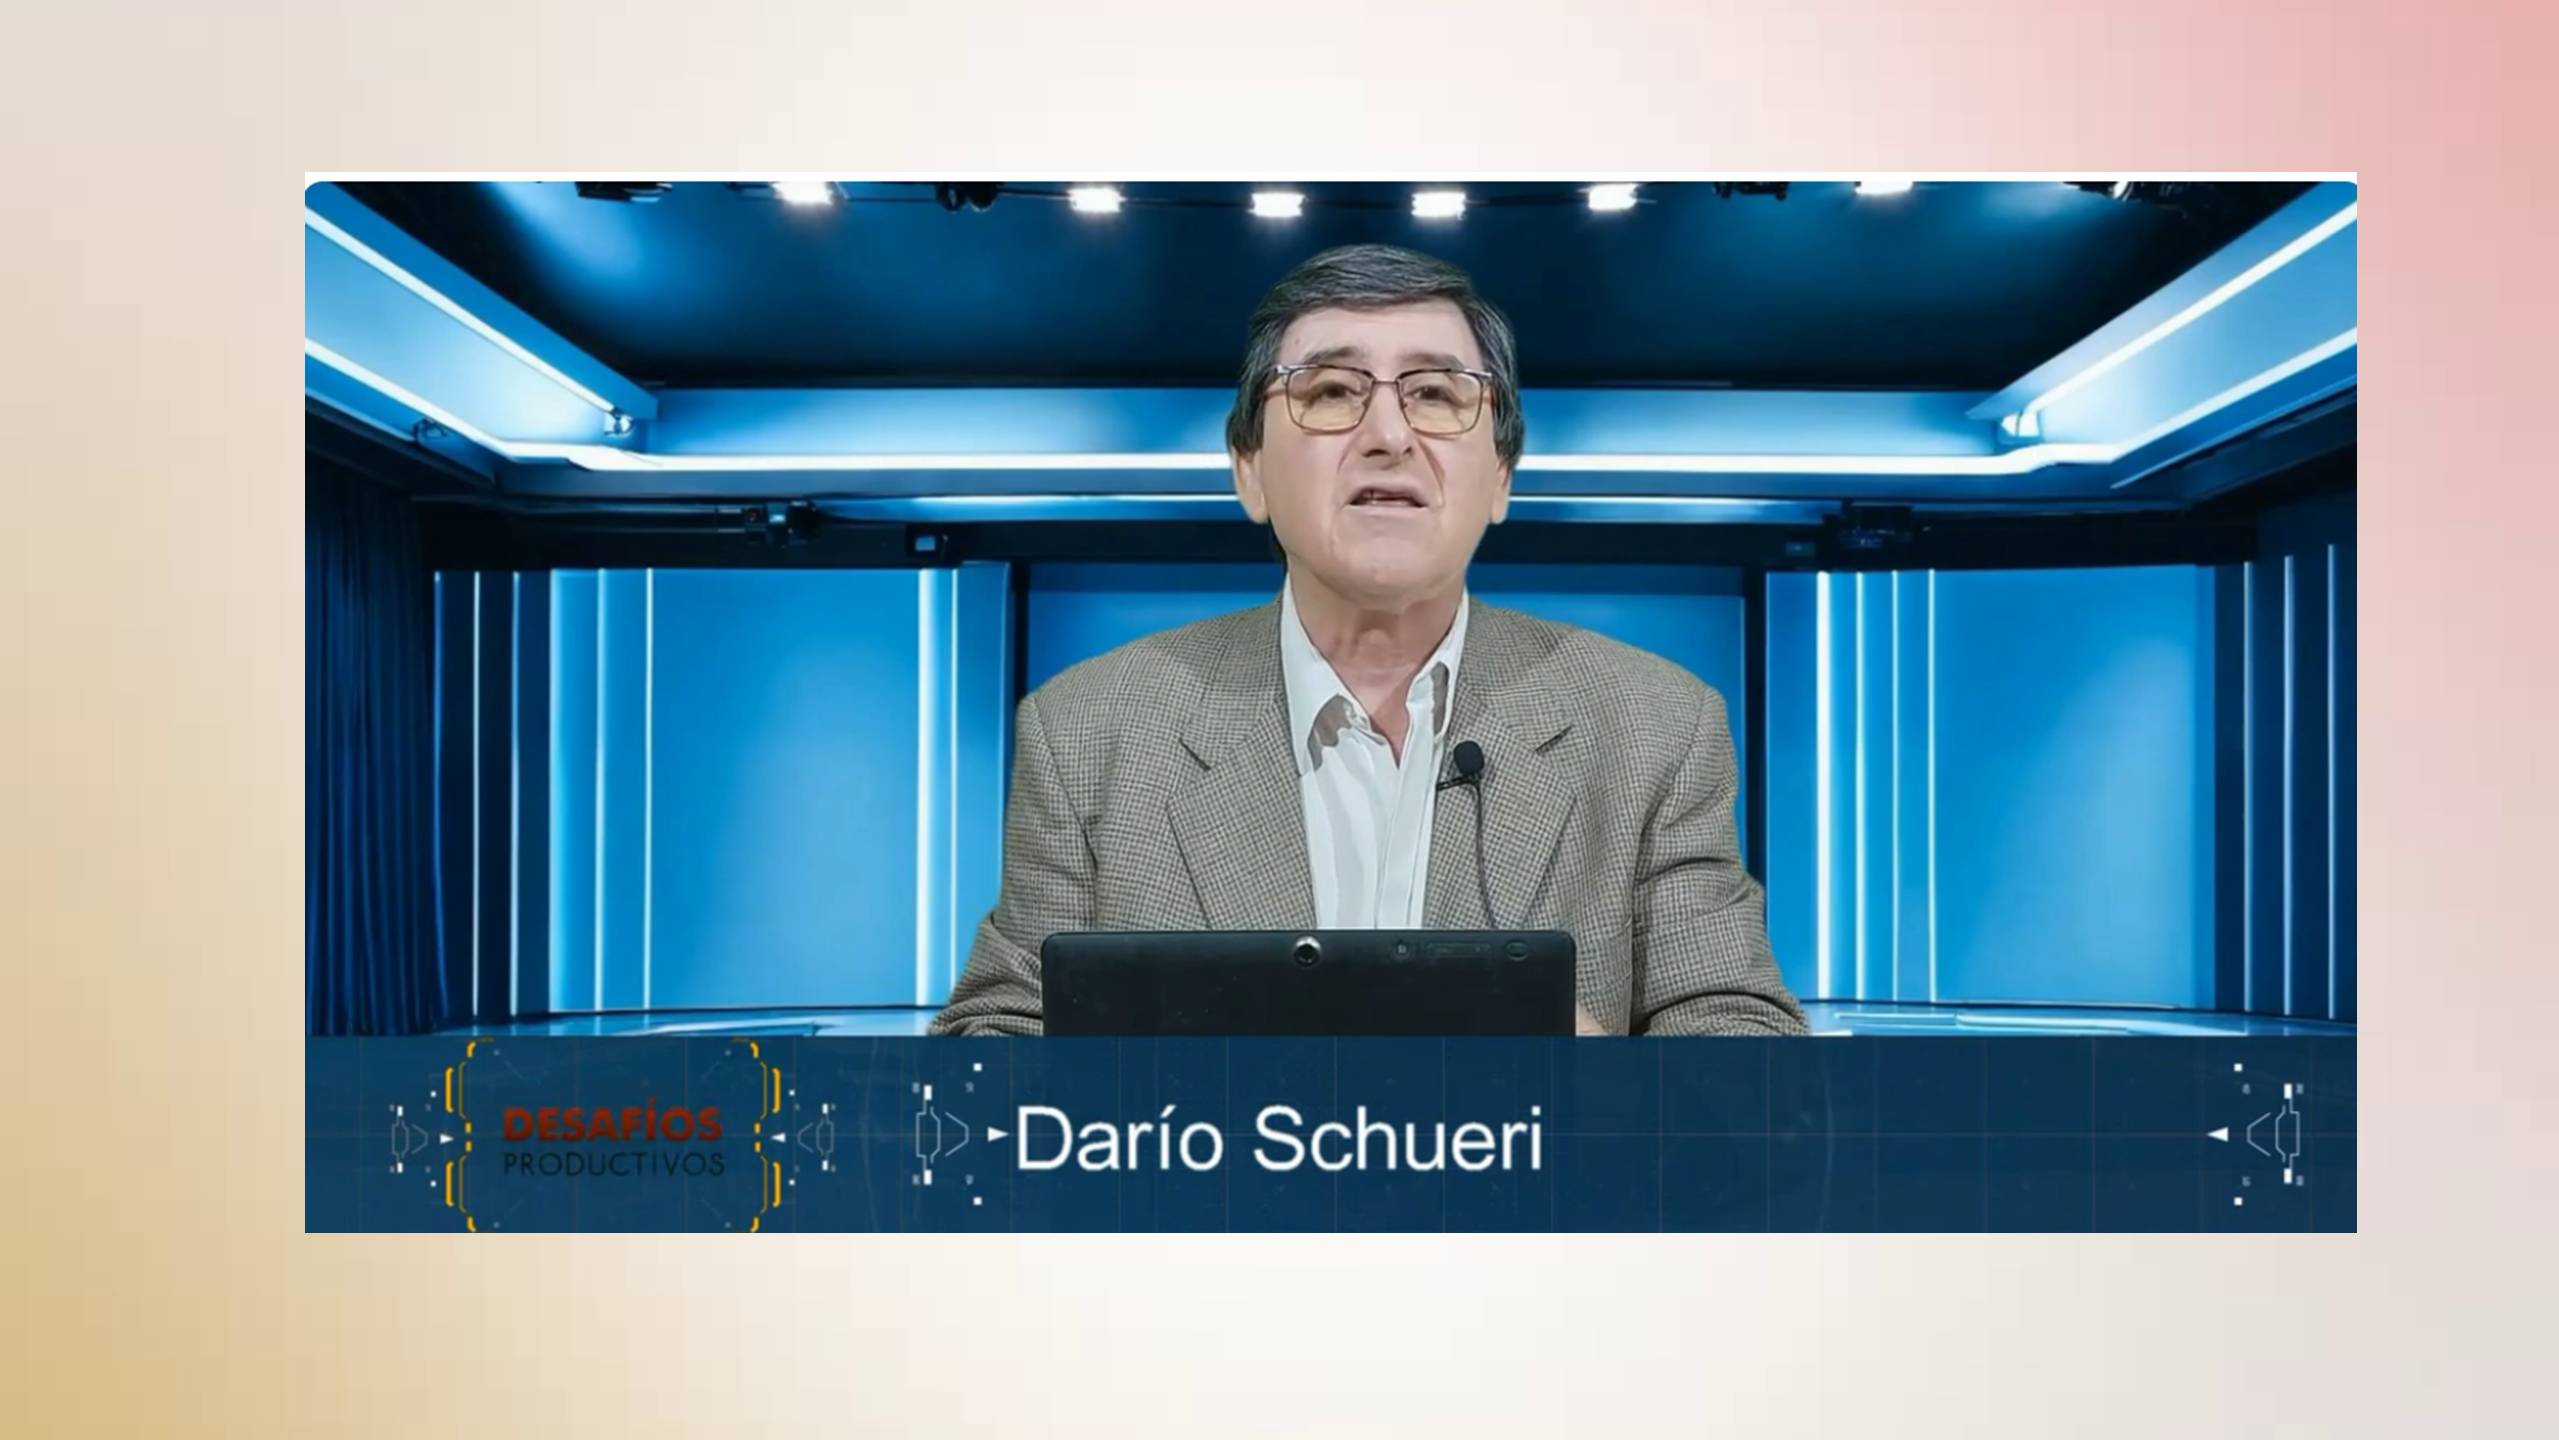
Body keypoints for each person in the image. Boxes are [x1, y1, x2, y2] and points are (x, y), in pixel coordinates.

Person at [931, 244, 1805, 1036]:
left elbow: (1745, 1048)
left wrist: (1587, 1081)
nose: (1388, 436)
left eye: (1436, 394)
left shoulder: (1654, 725)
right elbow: (991, 1046)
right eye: (1329, 393)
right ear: (1247, 471)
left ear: (1501, 477)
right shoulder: (1087, 730)